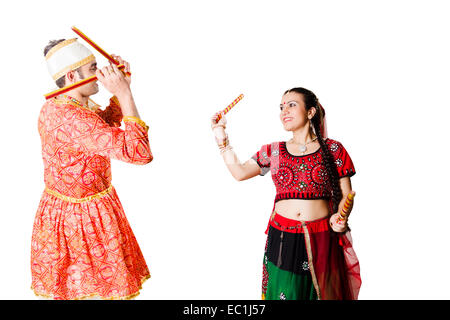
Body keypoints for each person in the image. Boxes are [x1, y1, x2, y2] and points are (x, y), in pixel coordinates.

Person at [210, 87, 361, 300]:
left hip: (321, 238)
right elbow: (240, 172)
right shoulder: (274, 151)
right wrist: (221, 137)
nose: (284, 112)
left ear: (310, 112)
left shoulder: (334, 149)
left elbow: (347, 194)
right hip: (282, 238)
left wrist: (341, 217)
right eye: (281, 107)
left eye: (291, 105)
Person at [31, 38, 153, 300]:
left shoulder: (61, 106)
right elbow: (139, 153)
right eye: (93, 69)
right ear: (72, 75)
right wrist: (124, 94)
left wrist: (123, 88)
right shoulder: (75, 120)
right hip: (83, 219)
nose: (100, 74)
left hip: (71, 210)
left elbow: (101, 127)